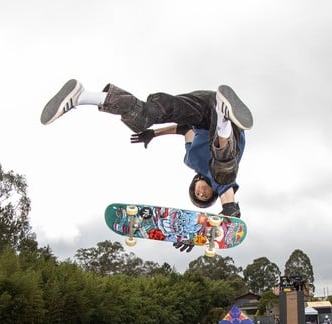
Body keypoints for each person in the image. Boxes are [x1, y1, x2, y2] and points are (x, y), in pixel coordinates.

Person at [41, 79, 253, 225]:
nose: (202, 194)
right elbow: (227, 193)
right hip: (214, 114)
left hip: (207, 112)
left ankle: (82, 96)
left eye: (199, 195)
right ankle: (223, 117)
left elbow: (185, 130)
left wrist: (152, 132)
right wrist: (229, 210)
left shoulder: (191, 160)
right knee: (223, 172)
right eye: (205, 195)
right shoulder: (215, 179)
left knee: (143, 116)